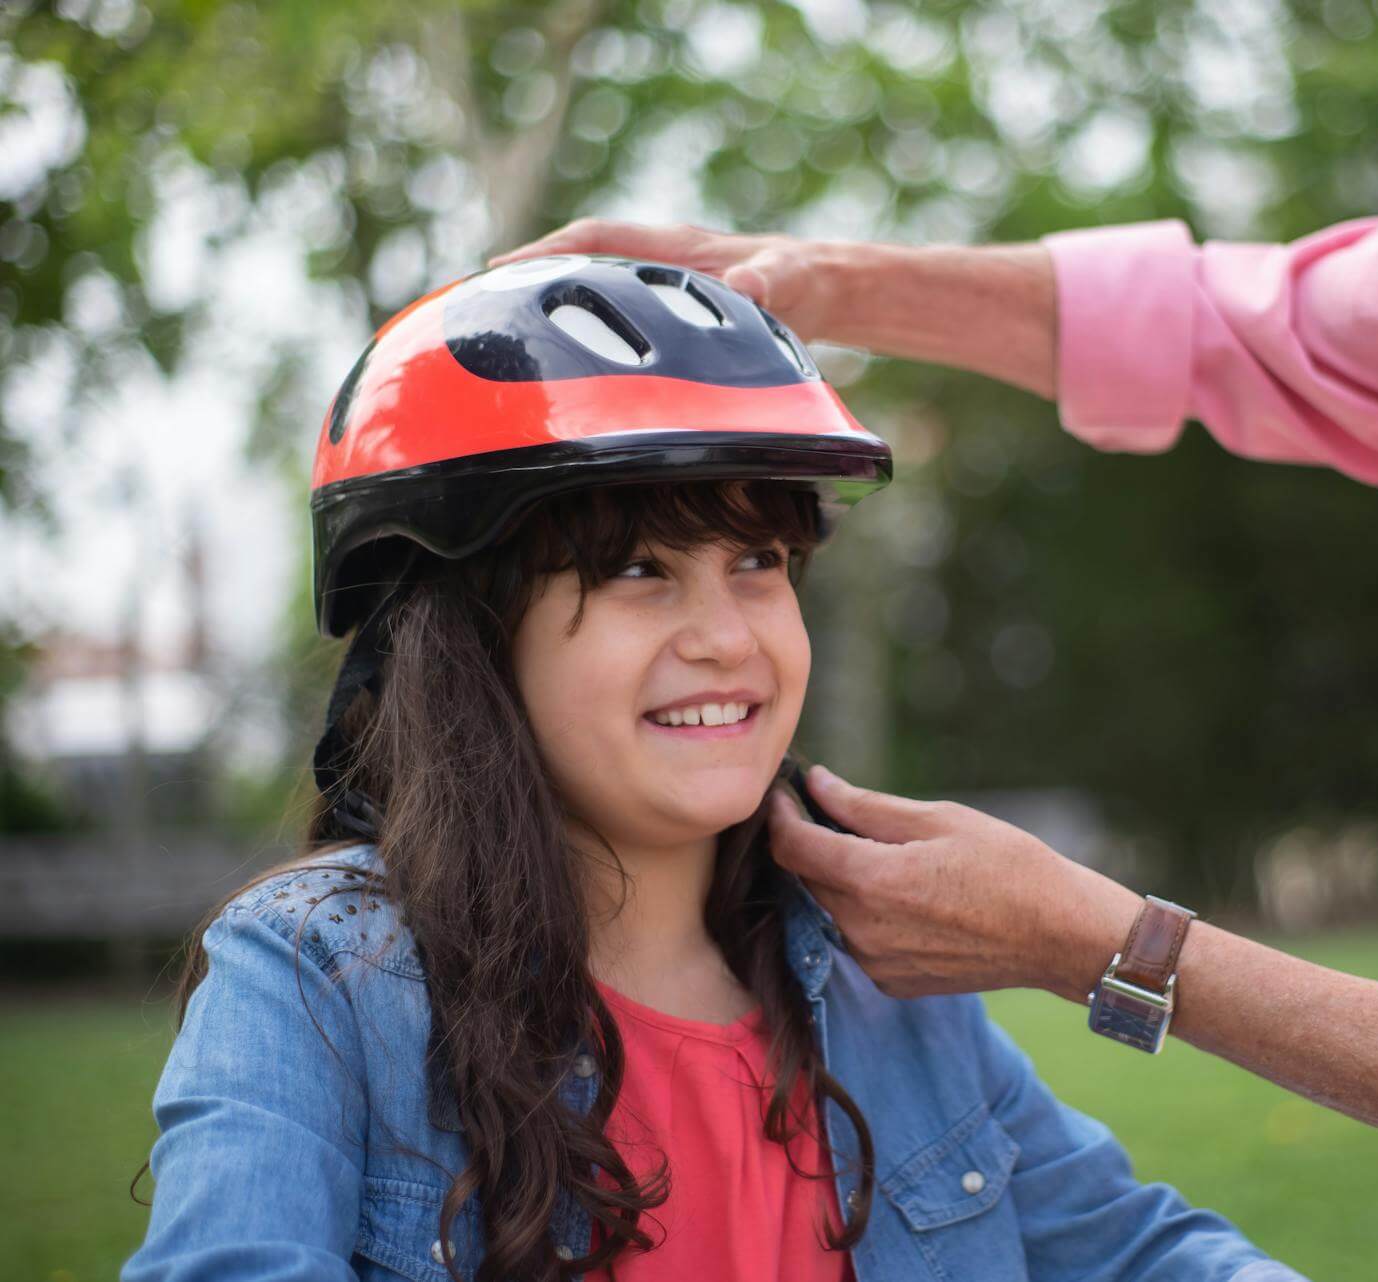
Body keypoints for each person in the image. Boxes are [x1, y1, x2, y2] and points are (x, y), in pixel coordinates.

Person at [493, 1, 1378, 1278]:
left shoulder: (861, 1001)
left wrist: (1104, 944)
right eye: (636, 569)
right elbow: (1242, 326)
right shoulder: (373, 1011)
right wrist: (823, 279)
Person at [123, 255, 1304, 1282]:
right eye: (638, 569)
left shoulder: (882, 970)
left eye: (758, 559)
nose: (730, 638)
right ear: (467, 639)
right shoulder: (316, 977)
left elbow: (1135, 1252)